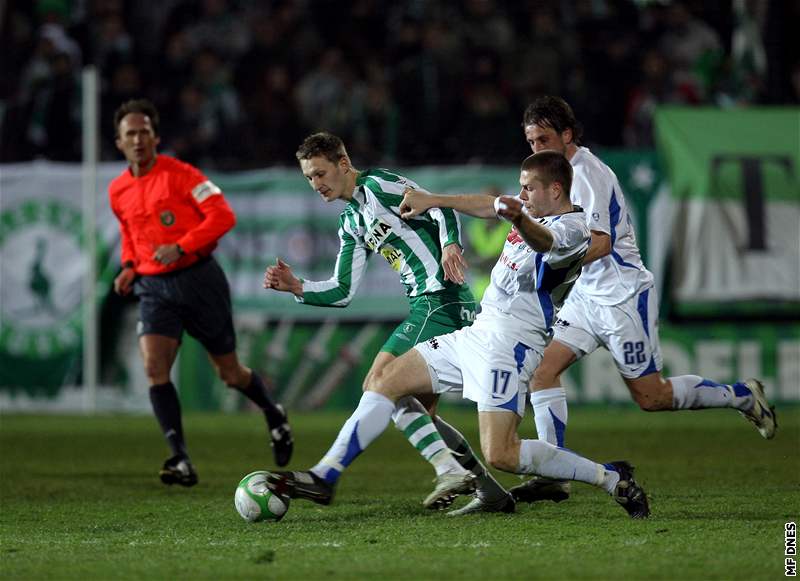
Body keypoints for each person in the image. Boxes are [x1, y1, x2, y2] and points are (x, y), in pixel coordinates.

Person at [265, 151, 651, 519]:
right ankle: (326, 475)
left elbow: (544, 243)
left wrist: (519, 220)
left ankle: (610, 477)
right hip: (477, 332)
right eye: (520, 188)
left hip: (511, 345)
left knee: (503, 454)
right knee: (386, 383)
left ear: (555, 190)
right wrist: (436, 199)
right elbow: (484, 204)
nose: (522, 195)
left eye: (529, 188)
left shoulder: (573, 229)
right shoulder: (526, 208)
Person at [509, 96, 777, 505]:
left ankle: (741, 395)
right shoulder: (547, 174)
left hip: (621, 296)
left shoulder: (589, 174)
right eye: (531, 141)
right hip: (584, 297)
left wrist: (554, 261)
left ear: (567, 135)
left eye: (544, 138)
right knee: (541, 372)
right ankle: (555, 472)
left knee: (652, 397)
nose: (537, 148)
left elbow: (600, 243)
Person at [263, 132, 513, 512]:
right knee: (411, 406)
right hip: (424, 305)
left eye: (320, 173)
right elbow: (343, 290)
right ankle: (487, 491)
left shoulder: (380, 185)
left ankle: (328, 475)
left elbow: (438, 206)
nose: (316, 184)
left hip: (441, 300)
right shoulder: (351, 221)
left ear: (343, 163)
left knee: (381, 384)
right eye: (309, 178)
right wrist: (298, 286)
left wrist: (449, 244)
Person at [109, 98, 292, 487]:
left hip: (198, 280)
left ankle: (274, 414)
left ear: (156, 137)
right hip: (154, 288)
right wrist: (128, 266)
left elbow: (224, 216)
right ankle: (180, 458)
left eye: (144, 132)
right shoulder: (118, 190)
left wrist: (182, 245)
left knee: (229, 373)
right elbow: (130, 233)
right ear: (119, 142)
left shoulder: (183, 175)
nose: (138, 140)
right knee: (155, 369)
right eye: (131, 134)